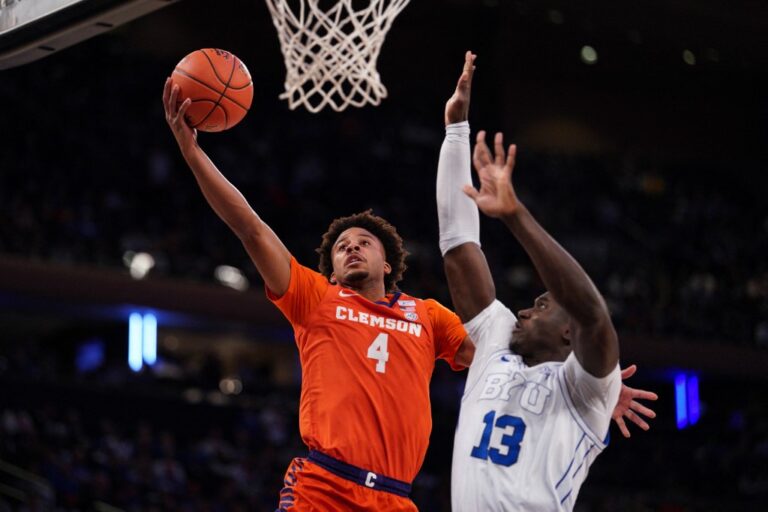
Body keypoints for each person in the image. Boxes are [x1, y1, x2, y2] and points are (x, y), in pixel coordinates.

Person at [162, 79, 474, 511]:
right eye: (342, 246)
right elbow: (250, 227)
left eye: (363, 241)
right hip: (324, 487)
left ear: (388, 264)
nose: (350, 247)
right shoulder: (317, 298)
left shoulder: (428, 315)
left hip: (396, 498)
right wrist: (193, 154)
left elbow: (495, 354)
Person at [437, 52, 657, 511]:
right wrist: (455, 132)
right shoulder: (496, 345)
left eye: (540, 305)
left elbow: (593, 315)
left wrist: (516, 216)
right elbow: (459, 248)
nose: (522, 310)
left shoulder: (587, 389)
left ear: (567, 330)